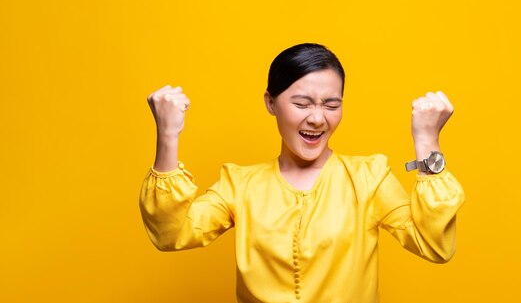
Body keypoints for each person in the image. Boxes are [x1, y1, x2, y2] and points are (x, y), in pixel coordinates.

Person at [139, 43, 465, 303]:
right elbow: (171, 234)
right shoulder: (239, 184)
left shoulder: (369, 178)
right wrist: (168, 136)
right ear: (271, 102)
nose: (317, 118)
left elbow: (434, 245)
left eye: (331, 105)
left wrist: (427, 142)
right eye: (302, 103)